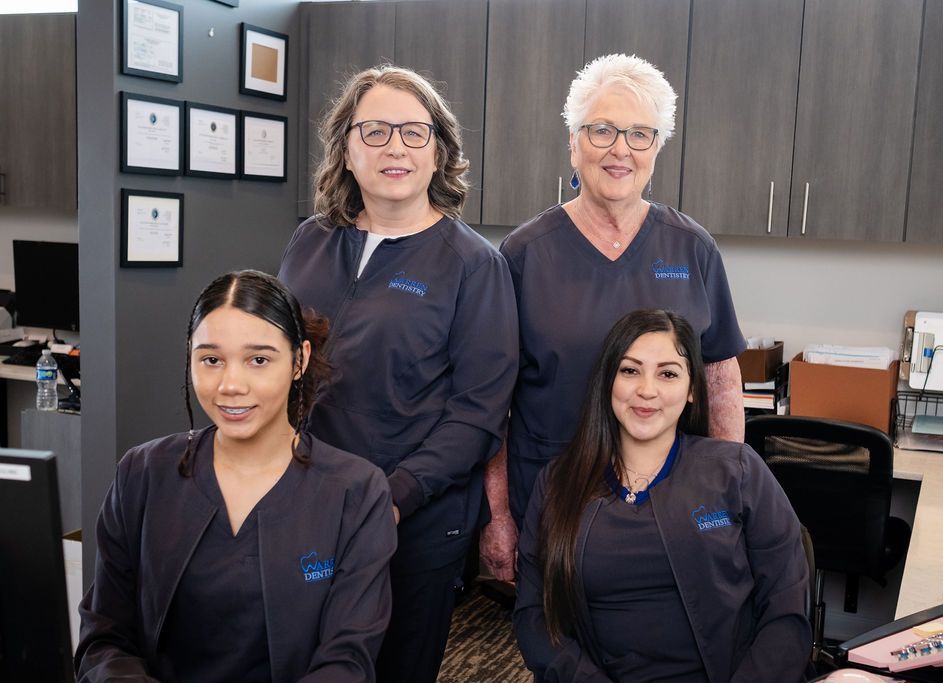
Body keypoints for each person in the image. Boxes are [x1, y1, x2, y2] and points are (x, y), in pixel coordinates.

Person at [278, 65, 518, 683]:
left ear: (439, 153)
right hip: (304, 503)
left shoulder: (473, 265)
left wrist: (392, 496)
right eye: (375, 131)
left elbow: (477, 412)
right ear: (347, 149)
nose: (395, 148)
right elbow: (277, 363)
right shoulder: (310, 242)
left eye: (414, 133)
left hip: (413, 518)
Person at [481, 53, 747, 581]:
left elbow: (720, 378)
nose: (620, 149)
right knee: (557, 650)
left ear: (657, 149)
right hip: (554, 500)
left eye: (639, 134)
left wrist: (728, 486)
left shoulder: (691, 248)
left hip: (671, 501)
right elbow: (492, 400)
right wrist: (498, 515)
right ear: (573, 143)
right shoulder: (524, 253)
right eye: (601, 130)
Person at [76, 270, 397, 682]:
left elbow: (347, 662)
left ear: (298, 360)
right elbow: (103, 637)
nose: (230, 385)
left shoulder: (357, 492)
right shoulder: (142, 473)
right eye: (211, 360)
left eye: (258, 360)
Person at [515, 309, 809, 683]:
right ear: (609, 381)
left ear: (691, 390)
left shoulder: (737, 471)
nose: (647, 390)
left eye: (668, 373)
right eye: (630, 370)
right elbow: (534, 617)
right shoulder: (557, 483)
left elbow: (786, 606)